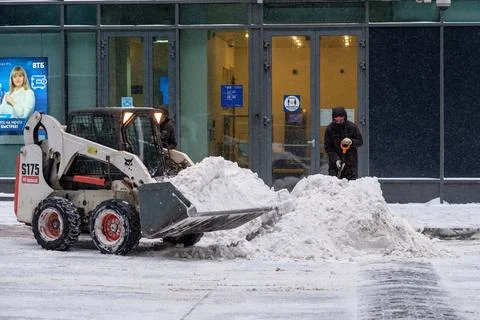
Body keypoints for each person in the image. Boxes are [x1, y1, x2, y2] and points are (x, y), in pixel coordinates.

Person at [324, 106, 363, 180]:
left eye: (341, 120)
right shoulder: (330, 129)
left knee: (351, 186)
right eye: (336, 120)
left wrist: (351, 141)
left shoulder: (352, 127)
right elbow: (328, 148)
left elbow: (360, 141)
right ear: (333, 118)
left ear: (345, 117)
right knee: (334, 185)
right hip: (335, 165)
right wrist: (336, 160)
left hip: (350, 164)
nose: (338, 122)